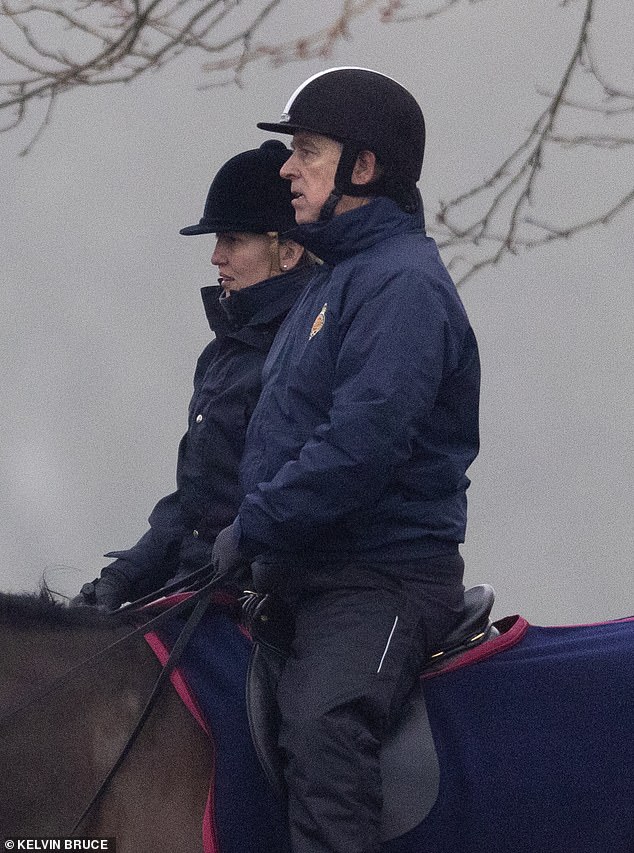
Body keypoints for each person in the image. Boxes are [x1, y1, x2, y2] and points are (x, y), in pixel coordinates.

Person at [211, 68, 481, 853]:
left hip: (383, 579)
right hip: (308, 571)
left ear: (363, 168)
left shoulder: (402, 287)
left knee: (322, 722)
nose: (287, 169)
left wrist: (255, 522)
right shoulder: (336, 282)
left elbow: (360, 448)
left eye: (306, 151)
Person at [75, 140, 312, 610]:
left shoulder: (307, 352)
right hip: (194, 583)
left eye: (233, 241)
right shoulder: (220, 356)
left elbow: (281, 505)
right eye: (216, 241)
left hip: (251, 596)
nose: (215, 257)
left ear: (287, 252)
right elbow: (194, 504)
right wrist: (120, 580)